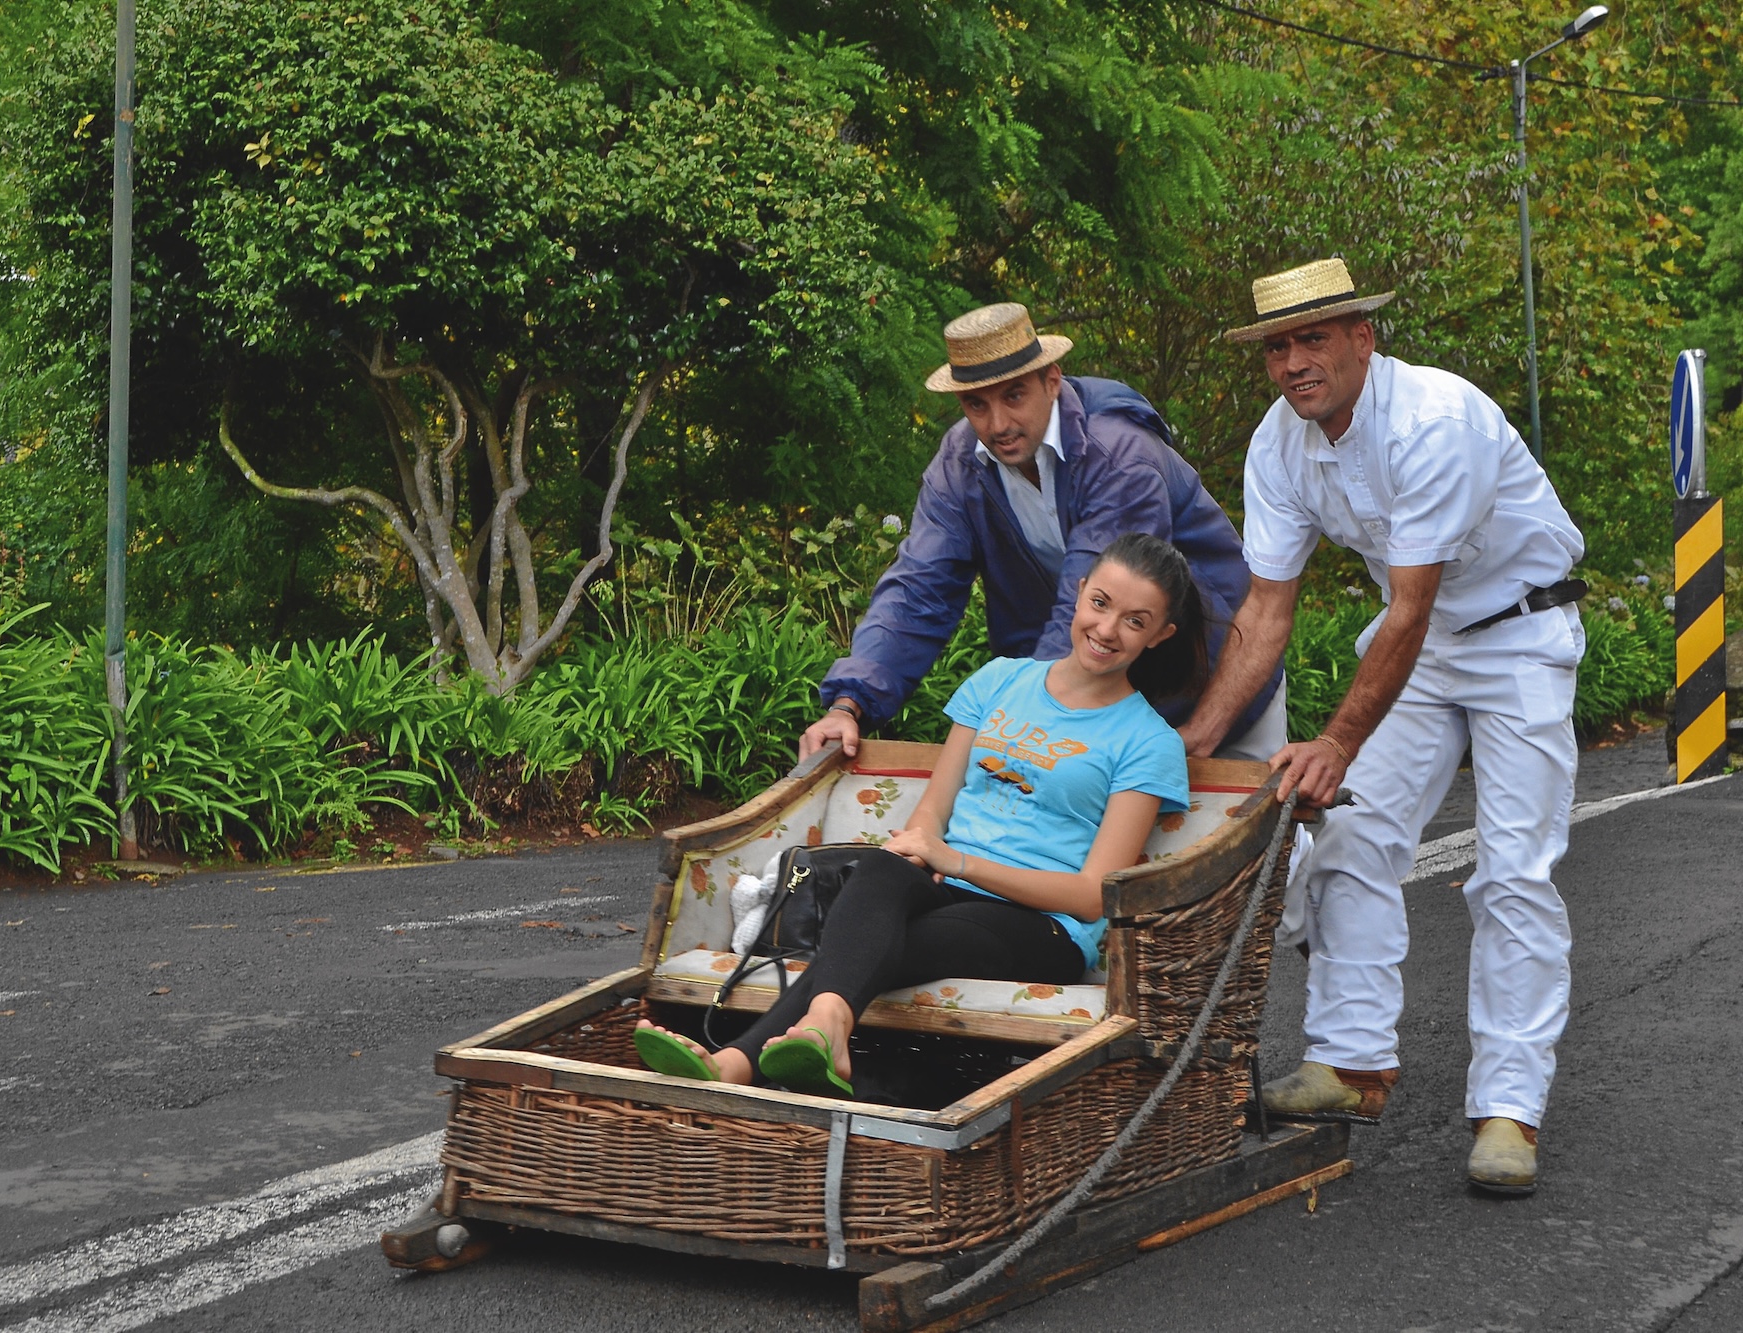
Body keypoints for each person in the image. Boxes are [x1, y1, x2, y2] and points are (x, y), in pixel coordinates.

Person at [1177, 258, 1587, 1197]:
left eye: (1313, 337)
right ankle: (1351, 1065)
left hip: (1519, 635)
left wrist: (1336, 743)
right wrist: (1194, 740)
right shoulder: (1279, 443)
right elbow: (1265, 612)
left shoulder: (1434, 421)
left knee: (1513, 871)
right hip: (1425, 640)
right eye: (1278, 345)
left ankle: (1509, 1111)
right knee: (1351, 830)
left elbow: (1408, 608)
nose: (1293, 362)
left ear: (1364, 337)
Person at [635, 533, 1200, 1095]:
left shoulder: (1147, 741)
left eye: (1134, 620)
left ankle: (736, 1061)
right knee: (880, 869)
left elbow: (1093, 893)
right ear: (1078, 593)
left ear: (1160, 634)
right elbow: (934, 807)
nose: (1105, 629)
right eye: (1100, 603)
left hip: (1042, 926)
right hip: (946, 883)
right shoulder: (1001, 681)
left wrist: (955, 861)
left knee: (884, 939)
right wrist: (924, 845)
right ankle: (825, 1029)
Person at [800, 302, 1285, 765]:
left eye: (1014, 396)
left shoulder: (1118, 457)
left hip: (1214, 677)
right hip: (1097, 696)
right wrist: (849, 703)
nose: (998, 424)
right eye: (976, 404)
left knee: (1245, 837)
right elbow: (918, 590)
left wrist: (1025, 722)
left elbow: (1099, 599)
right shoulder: (958, 467)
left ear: (1051, 381)